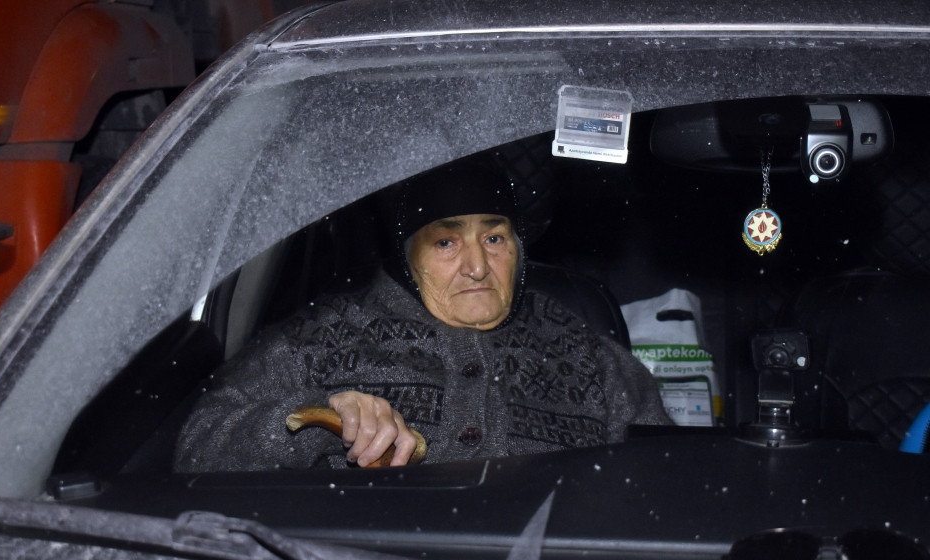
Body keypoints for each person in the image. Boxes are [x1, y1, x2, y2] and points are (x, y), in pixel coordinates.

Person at [174, 162, 670, 472]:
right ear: (407, 257)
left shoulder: (588, 355)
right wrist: (316, 417)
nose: (478, 266)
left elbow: (664, 475)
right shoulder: (318, 339)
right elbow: (197, 451)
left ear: (518, 248)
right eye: (446, 242)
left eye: (494, 238)